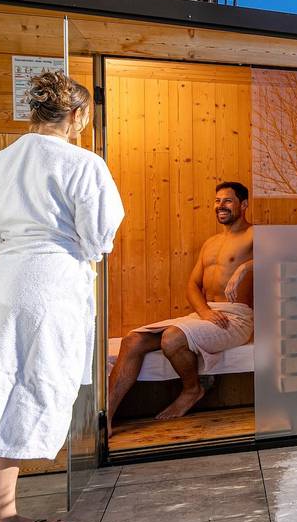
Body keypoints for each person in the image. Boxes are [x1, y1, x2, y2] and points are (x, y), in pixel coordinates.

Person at [0, 70, 124, 522]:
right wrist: (48, 245)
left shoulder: (3, 160)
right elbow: (99, 238)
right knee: (21, 392)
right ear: (77, 116)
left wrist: (13, 244)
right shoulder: (83, 163)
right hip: (45, 285)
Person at [106, 182, 255, 431]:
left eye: (227, 201)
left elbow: (284, 253)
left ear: (244, 204)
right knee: (132, 340)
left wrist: (245, 267)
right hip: (205, 314)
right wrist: (205, 312)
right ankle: (106, 417)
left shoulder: (254, 234)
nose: (221, 206)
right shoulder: (211, 243)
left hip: (236, 318)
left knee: (172, 338)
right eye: (217, 201)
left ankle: (192, 389)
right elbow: (192, 285)